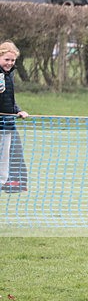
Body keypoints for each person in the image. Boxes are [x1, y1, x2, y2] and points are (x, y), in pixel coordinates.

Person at [0, 41, 29, 193]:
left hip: (7, 125)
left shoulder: (9, 75)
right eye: (6, 59)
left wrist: (18, 110)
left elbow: (8, 99)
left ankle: (6, 183)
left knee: (5, 162)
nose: (10, 63)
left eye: (12, 60)